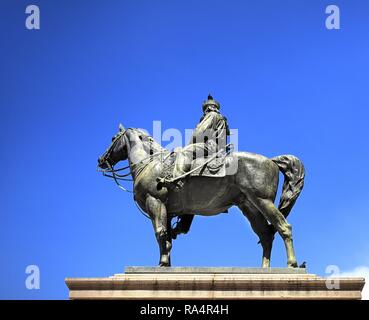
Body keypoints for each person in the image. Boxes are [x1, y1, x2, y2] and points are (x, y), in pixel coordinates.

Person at [166, 95, 230, 239]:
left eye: (206, 108)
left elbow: (198, 134)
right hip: (217, 148)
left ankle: (177, 182)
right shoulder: (219, 117)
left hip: (211, 147)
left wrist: (185, 147)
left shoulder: (212, 116)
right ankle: (183, 224)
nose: (206, 110)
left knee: (184, 153)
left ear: (209, 108)